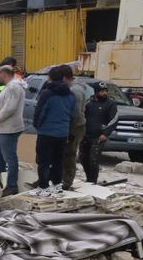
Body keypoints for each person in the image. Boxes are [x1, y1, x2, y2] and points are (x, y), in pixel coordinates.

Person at [32, 64, 77, 193]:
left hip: (46, 132)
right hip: (62, 133)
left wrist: (37, 125)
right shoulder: (71, 95)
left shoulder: (47, 93)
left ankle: (43, 186)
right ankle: (57, 185)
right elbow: (73, 115)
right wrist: (67, 130)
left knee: (43, 161)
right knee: (58, 160)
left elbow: (40, 112)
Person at [0, 65, 26, 196]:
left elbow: (9, 108)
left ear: (3, 75)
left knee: (9, 158)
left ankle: (11, 185)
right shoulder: (10, 87)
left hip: (9, 128)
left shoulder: (13, 87)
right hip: (3, 128)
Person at [81, 83, 119, 184]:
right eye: (102, 91)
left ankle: (92, 181)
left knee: (93, 160)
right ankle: (88, 179)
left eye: (105, 91)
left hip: (98, 137)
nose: (104, 93)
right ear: (96, 92)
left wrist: (106, 134)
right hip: (85, 135)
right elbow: (81, 115)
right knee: (83, 158)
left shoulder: (110, 104)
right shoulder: (89, 102)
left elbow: (114, 120)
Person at [61, 69, 88, 190]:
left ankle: (67, 181)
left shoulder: (75, 91)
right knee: (67, 154)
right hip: (76, 125)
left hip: (75, 127)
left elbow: (75, 114)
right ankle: (65, 179)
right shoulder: (76, 88)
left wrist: (69, 132)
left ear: (65, 78)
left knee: (69, 154)